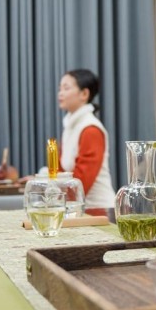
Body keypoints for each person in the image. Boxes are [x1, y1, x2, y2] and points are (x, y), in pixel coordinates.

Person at [57, 68, 116, 214]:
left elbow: (81, 183)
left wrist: (52, 198)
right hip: (77, 208)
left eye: (66, 88)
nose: (60, 93)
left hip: (98, 210)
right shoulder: (70, 126)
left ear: (84, 94)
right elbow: (62, 173)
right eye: (60, 88)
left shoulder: (90, 129)